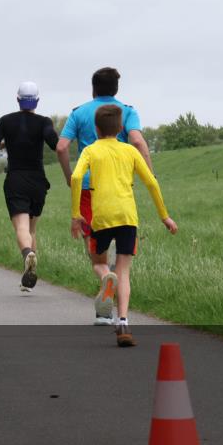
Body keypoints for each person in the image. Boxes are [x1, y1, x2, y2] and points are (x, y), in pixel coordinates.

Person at [70, 105, 177, 347]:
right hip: (128, 217)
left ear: (96, 129)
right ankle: (124, 322)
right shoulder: (130, 151)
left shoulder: (90, 150)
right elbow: (151, 181)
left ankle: (106, 277)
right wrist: (164, 216)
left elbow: (76, 177)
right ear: (120, 128)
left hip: (102, 218)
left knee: (98, 261)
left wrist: (76, 214)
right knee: (124, 271)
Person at [56, 67, 154, 325]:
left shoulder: (79, 113)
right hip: (120, 190)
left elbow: (62, 146)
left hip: (89, 190)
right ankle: (114, 314)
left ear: (93, 88)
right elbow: (138, 141)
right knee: (121, 256)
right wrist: (149, 176)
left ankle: (104, 293)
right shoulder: (127, 112)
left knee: (98, 257)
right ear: (116, 89)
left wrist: (69, 176)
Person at [0, 82, 59, 291]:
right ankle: (29, 276)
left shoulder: (6, 121)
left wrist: (5, 142)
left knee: (22, 227)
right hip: (38, 181)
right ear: (37, 100)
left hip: (16, 179)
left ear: (18, 99)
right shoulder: (44, 122)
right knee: (32, 229)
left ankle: (27, 254)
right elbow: (54, 142)